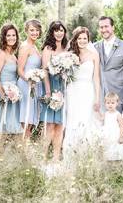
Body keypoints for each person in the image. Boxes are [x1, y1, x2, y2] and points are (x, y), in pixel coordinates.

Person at [63, 27, 102, 160]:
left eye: (85, 38)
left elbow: (96, 78)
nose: (82, 41)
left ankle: (86, 155)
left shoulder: (94, 55)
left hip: (87, 91)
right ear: (75, 39)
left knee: (86, 119)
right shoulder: (70, 54)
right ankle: (70, 155)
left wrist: (97, 98)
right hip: (72, 91)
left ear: (88, 39)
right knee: (73, 120)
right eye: (79, 38)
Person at [41, 21, 68, 161]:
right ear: (52, 32)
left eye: (61, 30)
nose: (59, 33)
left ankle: (56, 158)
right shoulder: (48, 49)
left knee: (60, 125)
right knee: (50, 125)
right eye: (56, 30)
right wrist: (48, 92)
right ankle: (43, 156)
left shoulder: (67, 48)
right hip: (51, 86)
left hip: (63, 88)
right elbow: (45, 71)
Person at [94, 16, 123, 112]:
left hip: (119, 93)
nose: (103, 30)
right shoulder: (95, 46)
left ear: (113, 27)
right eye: (101, 27)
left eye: (106, 26)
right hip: (101, 93)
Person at [0, 23, 22, 134]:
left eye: (14, 35)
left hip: (12, 94)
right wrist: (2, 94)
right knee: (0, 126)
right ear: (4, 37)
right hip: (1, 92)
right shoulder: (1, 54)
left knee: (9, 126)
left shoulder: (13, 55)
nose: (11, 38)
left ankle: (5, 152)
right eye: (8, 35)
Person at [17, 19, 43, 139]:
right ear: (26, 31)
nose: (35, 33)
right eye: (32, 30)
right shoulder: (25, 47)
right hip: (26, 86)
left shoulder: (35, 47)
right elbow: (20, 70)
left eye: (37, 30)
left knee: (31, 121)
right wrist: (29, 81)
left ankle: (25, 148)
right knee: (26, 118)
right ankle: (23, 148)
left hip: (34, 86)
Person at [99, 92, 123, 161]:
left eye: (112, 103)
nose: (110, 105)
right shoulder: (106, 113)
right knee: (109, 148)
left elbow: (122, 126)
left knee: (118, 147)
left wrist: (121, 137)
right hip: (107, 133)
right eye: (108, 103)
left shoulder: (118, 114)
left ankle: (119, 160)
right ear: (105, 104)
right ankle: (110, 160)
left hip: (116, 133)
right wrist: (98, 112)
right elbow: (101, 119)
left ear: (117, 103)